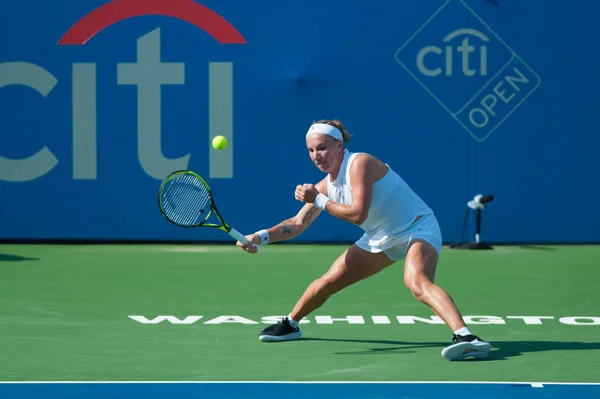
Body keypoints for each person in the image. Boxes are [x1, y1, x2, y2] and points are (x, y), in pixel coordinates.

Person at [236, 119, 491, 361]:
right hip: (380, 237)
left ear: (339, 145)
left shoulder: (360, 163)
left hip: (417, 228)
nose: (316, 155)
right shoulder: (325, 186)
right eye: (311, 150)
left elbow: (358, 214)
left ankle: (466, 337)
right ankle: (290, 324)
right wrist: (260, 236)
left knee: (416, 281)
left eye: (322, 148)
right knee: (327, 281)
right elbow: (296, 224)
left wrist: (319, 199)